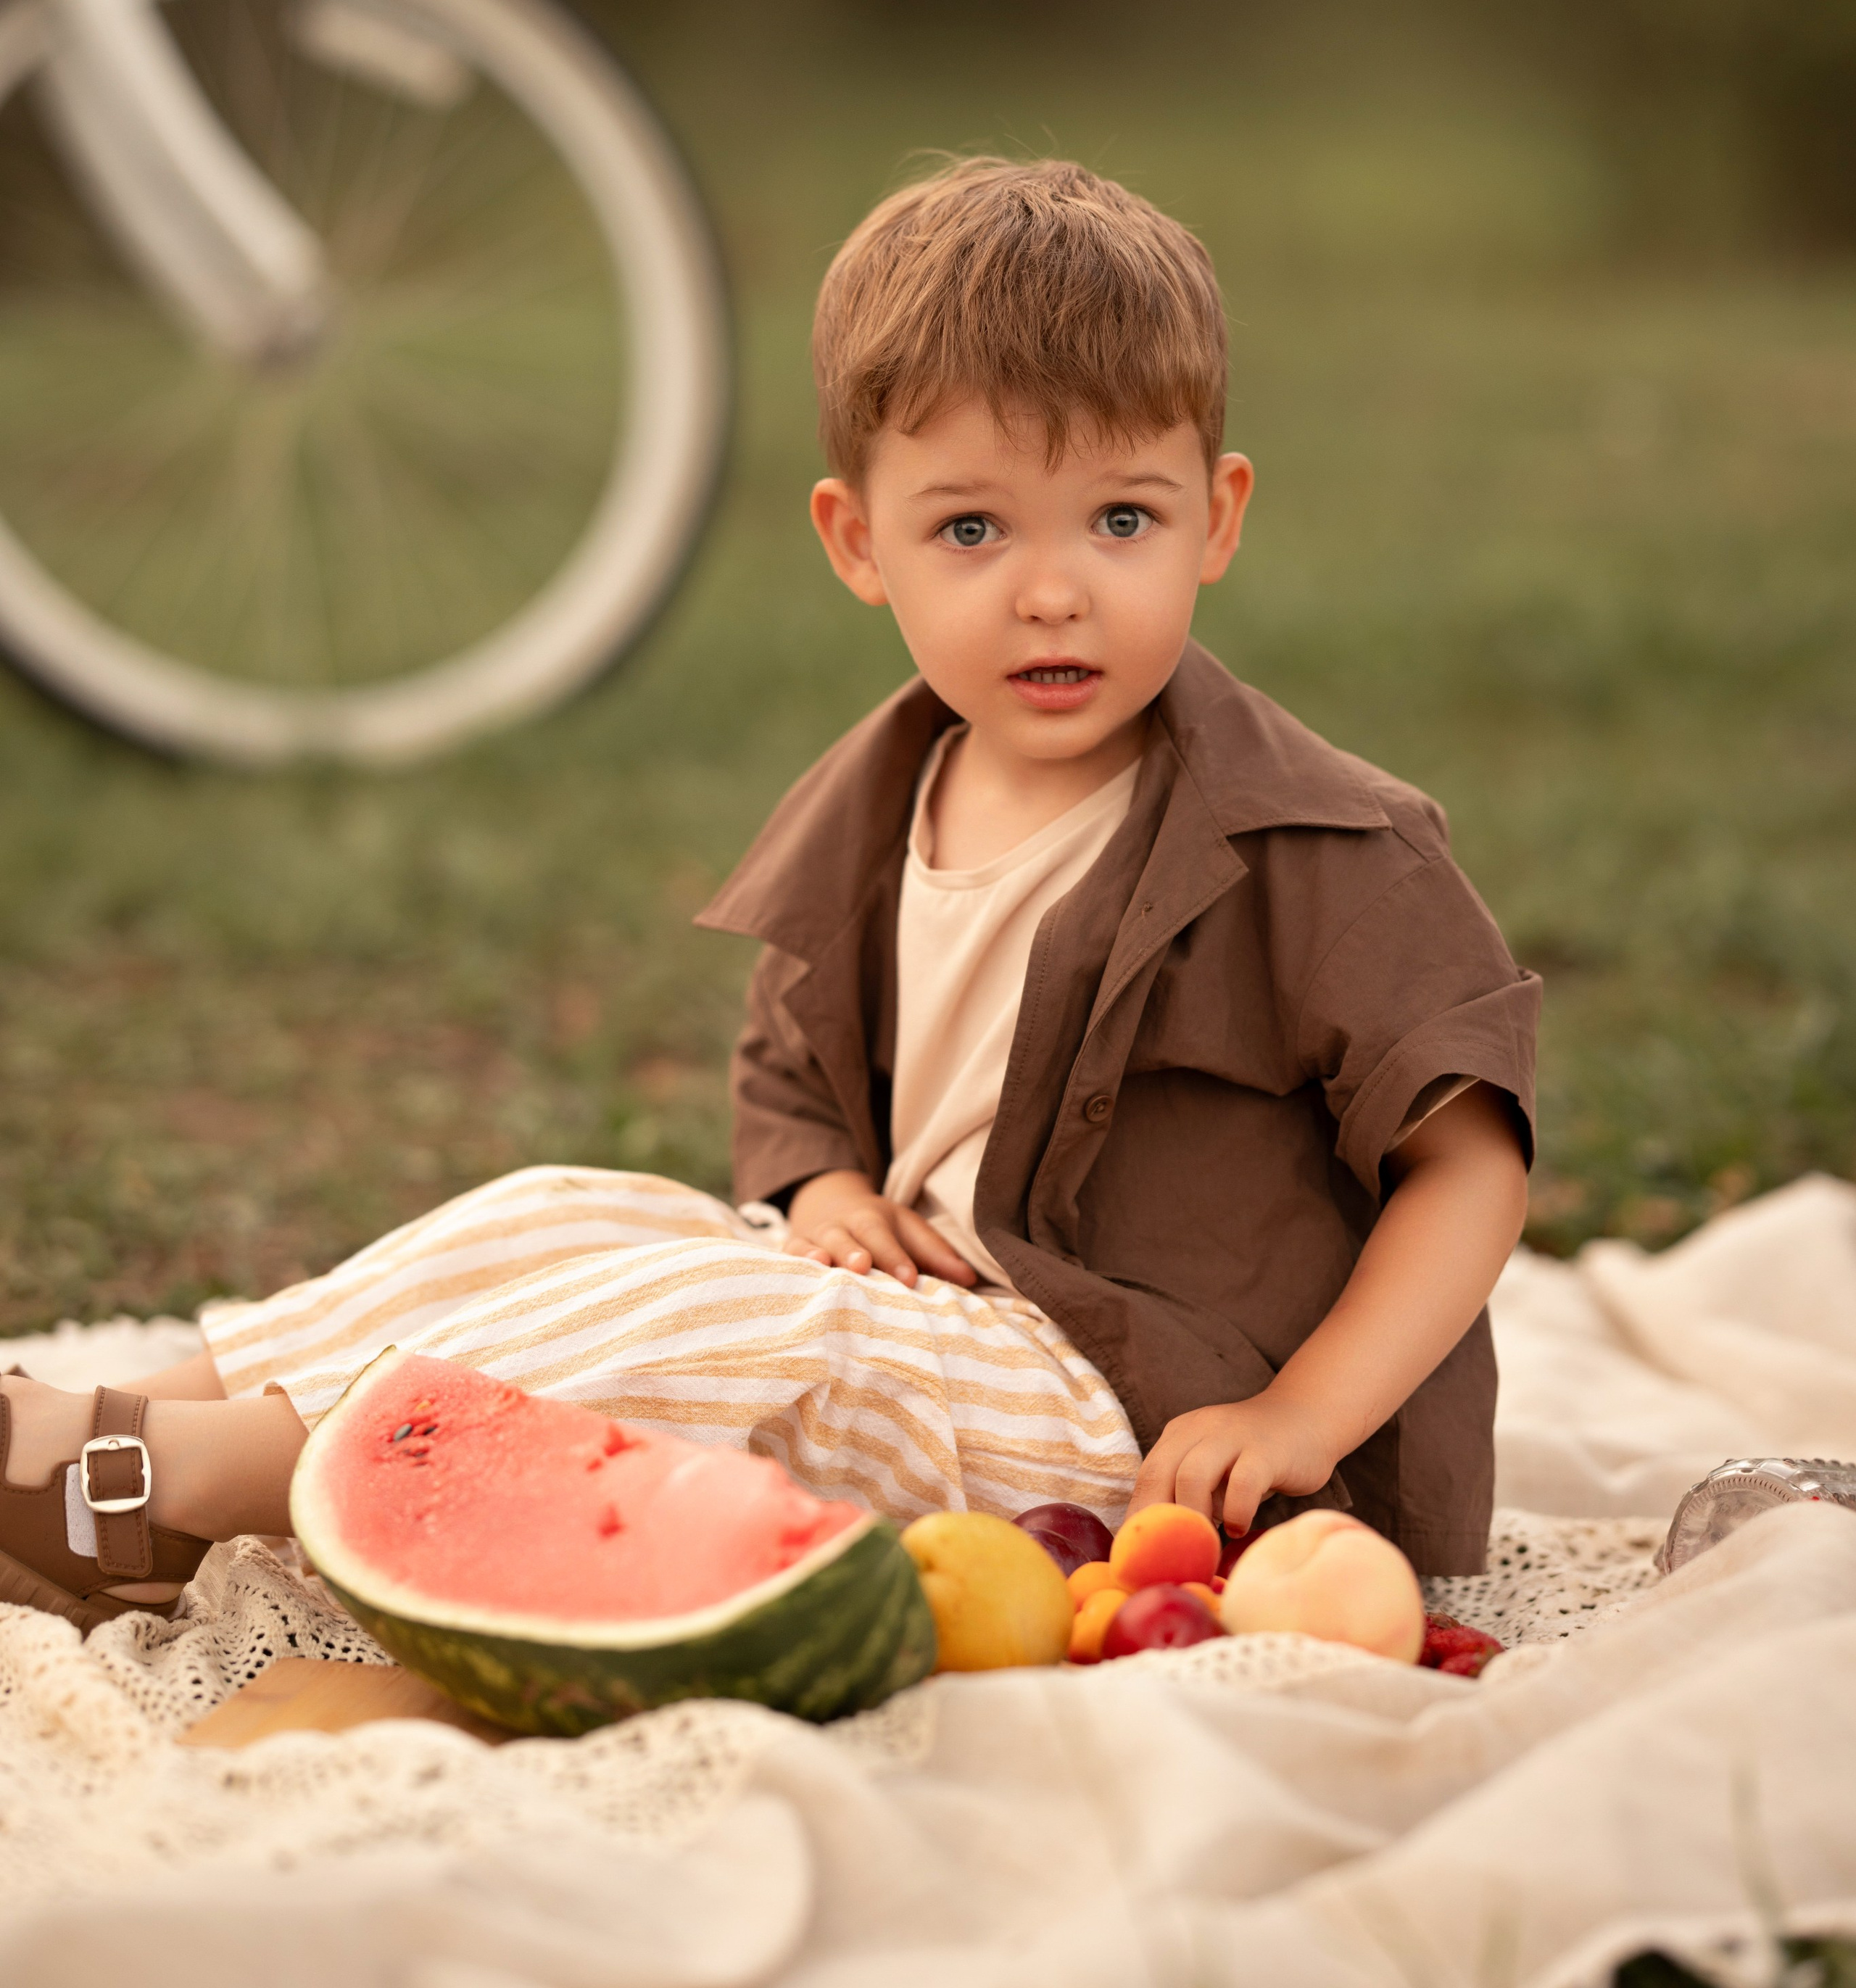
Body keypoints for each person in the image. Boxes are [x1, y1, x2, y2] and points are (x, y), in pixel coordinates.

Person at [0, 158, 1535, 1634]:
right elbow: (792, 1066)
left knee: (743, 1330)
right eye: (971, 528)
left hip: (1136, 1401)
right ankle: (122, 1424)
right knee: (577, 1212)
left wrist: (1292, 1412)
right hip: (938, 1330)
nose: (1051, 588)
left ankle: (175, 1488)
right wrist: (819, 1190)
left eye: (1120, 519)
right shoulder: (889, 797)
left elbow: (1465, 1166)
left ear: (1219, 512)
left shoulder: (1316, 841)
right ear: (857, 541)